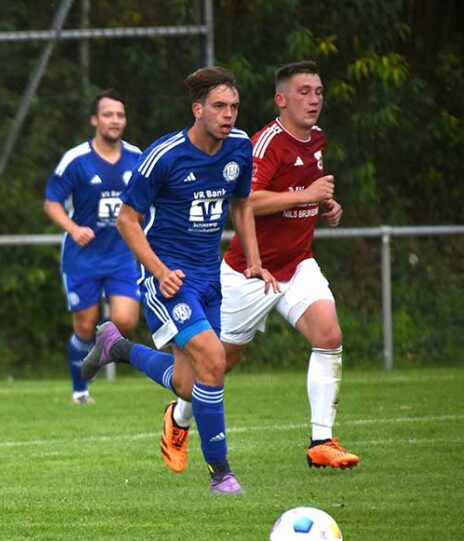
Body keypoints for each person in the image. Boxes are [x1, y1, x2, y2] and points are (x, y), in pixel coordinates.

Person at [81, 66, 277, 494]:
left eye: (234, 107)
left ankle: (117, 347)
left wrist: (254, 261)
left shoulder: (240, 148)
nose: (229, 115)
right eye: (219, 107)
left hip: (210, 278)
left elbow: (241, 205)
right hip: (169, 279)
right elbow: (127, 219)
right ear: (198, 109)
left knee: (190, 384)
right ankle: (221, 473)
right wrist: (160, 272)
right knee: (214, 360)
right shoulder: (165, 156)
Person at [161, 61, 357, 470]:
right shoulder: (264, 143)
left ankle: (322, 440)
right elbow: (249, 200)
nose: (314, 99)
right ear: (280, 100)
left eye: (318, 91)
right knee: (215, 365)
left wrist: (323, 203)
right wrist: (307, 195)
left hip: (298, 265)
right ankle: (177, 418)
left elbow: (300, 194)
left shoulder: (316, 139)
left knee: (329, 334)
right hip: (250, 273)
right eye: (304, 91)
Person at [43, 89, 143, 405]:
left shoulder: (137, 157)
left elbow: (148, 201)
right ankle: (80, 391)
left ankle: (103, 347)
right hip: (82, 258)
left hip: (122, 255)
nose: (115, 120)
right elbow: (51, 202)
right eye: (109, 114)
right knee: (84, 326)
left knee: (126, 320)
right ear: (94, 120)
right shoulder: (76, 160)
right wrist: (73, 228)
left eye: (120, 115)